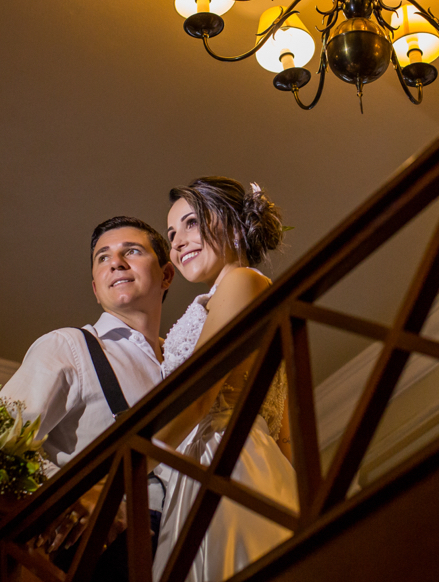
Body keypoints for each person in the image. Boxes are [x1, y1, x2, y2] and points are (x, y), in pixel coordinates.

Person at [0, 215, 174, 578]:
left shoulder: (183, 362)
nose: (116, 262)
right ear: (96, 288)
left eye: (132, 251)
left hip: (192, 545)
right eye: (103, 257)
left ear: (167, 274)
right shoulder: (68, 346)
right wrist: (70, 493)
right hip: (109, 554)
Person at [153, 177, 297, 581]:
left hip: (227, 458)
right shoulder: (218, 299)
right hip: (211, 462)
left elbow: (198, 394)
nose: (177, 242)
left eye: (191, 223)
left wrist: (130, 466)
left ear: (234, 223)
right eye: (171, 234)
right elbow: (285, 433)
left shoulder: (243, 281)